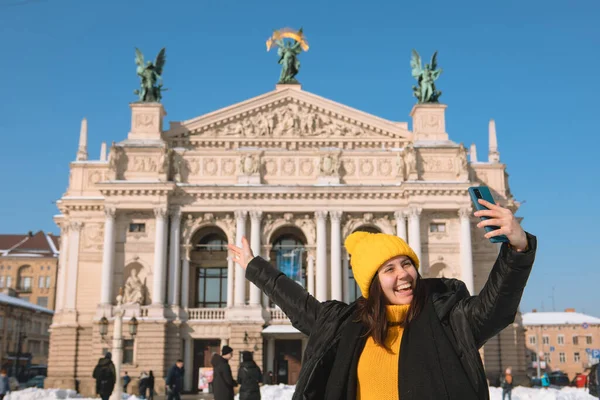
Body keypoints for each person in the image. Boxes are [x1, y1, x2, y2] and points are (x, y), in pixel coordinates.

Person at [228, 198, 536, 400]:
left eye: (406, 264)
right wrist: (255, 267)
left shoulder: (448, 317)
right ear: (372, 283)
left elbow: (496, 309)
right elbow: (298, 302)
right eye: (389, 269)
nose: (402, 274)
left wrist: (517, 249)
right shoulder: (345, 325)